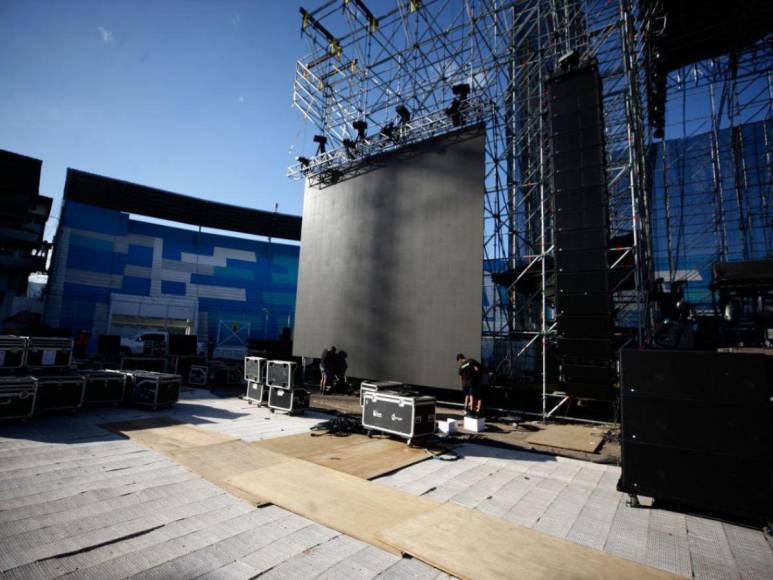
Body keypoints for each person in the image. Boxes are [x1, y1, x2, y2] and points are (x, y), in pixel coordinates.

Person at [456, 353, 483, 417]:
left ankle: (466, 410)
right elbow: (476, 368)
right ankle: (471, 410)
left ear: (460, 359)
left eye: (458, 360)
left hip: (465, 383)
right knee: (471, 396)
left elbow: (461, 377)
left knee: (467, 396)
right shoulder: (470, 361)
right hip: (471, 382)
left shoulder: (461, 366)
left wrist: (461, 385)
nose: (459, 362)